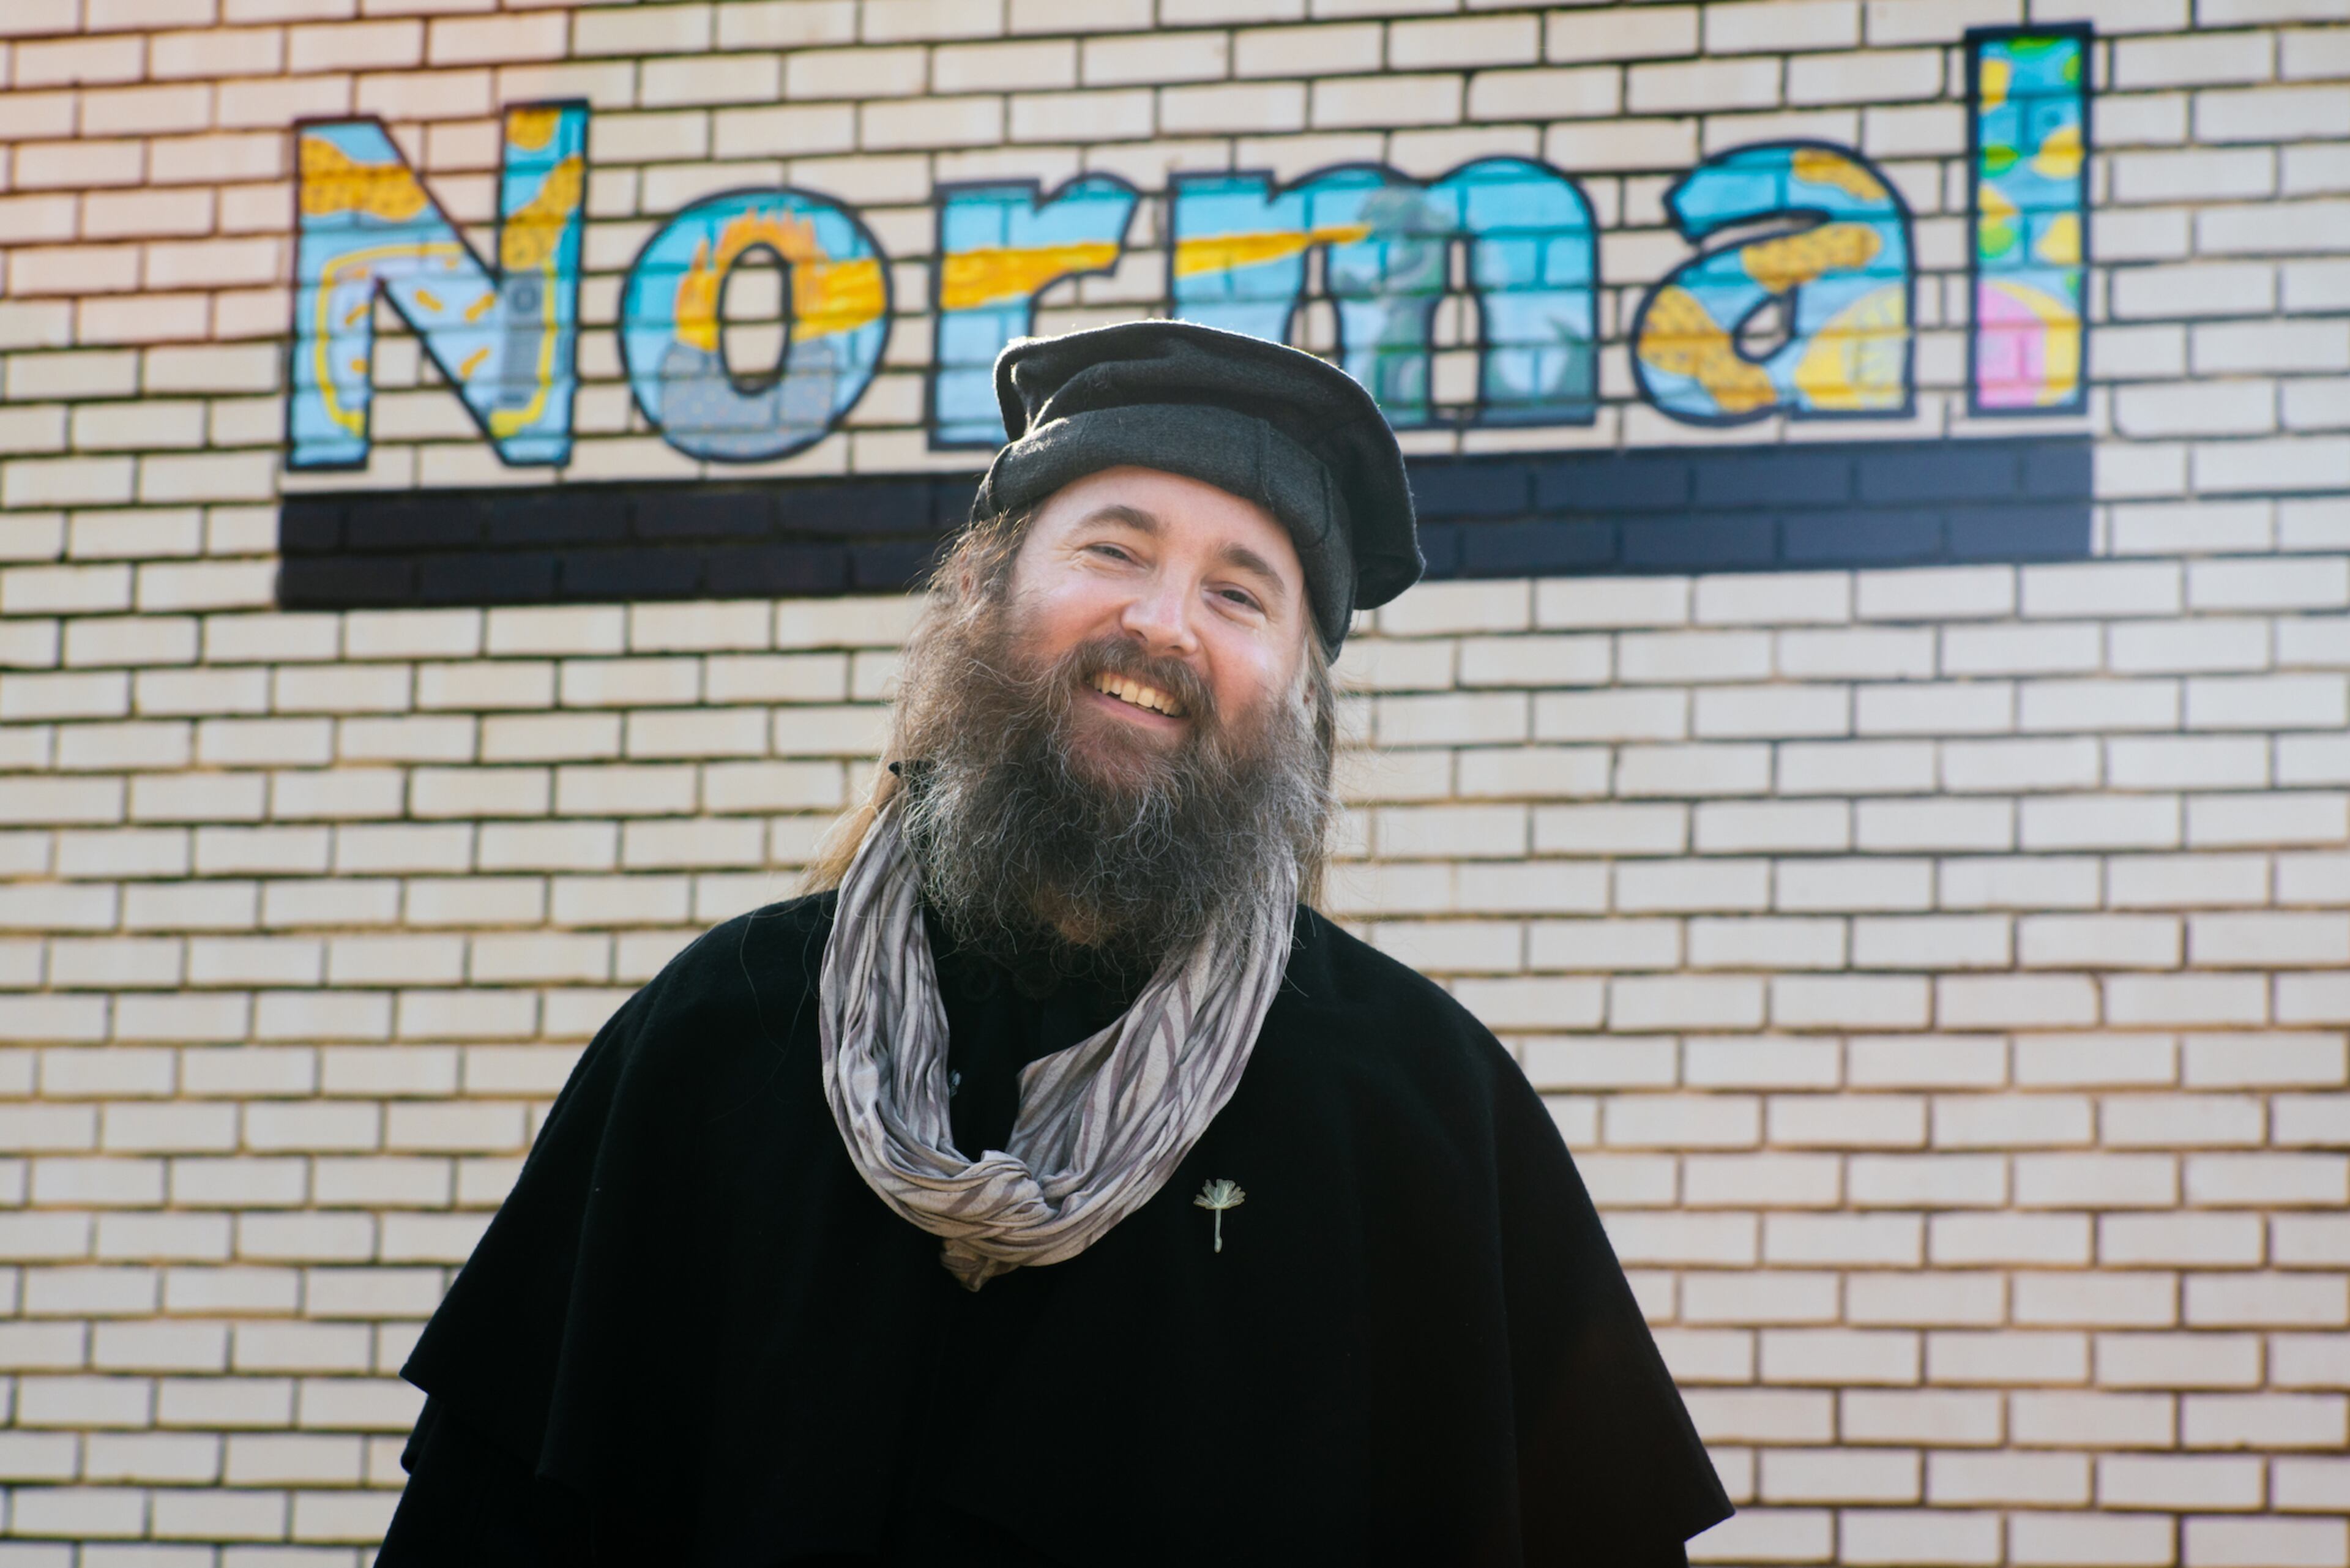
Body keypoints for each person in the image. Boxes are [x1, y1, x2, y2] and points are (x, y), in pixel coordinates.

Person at [377, 321, 1733, 1566]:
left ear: (1300, 700)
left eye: (1242, 593)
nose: (1162, 622)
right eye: (1115, 549)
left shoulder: (1426, 1111)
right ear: (985, 592)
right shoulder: (719, 1036)